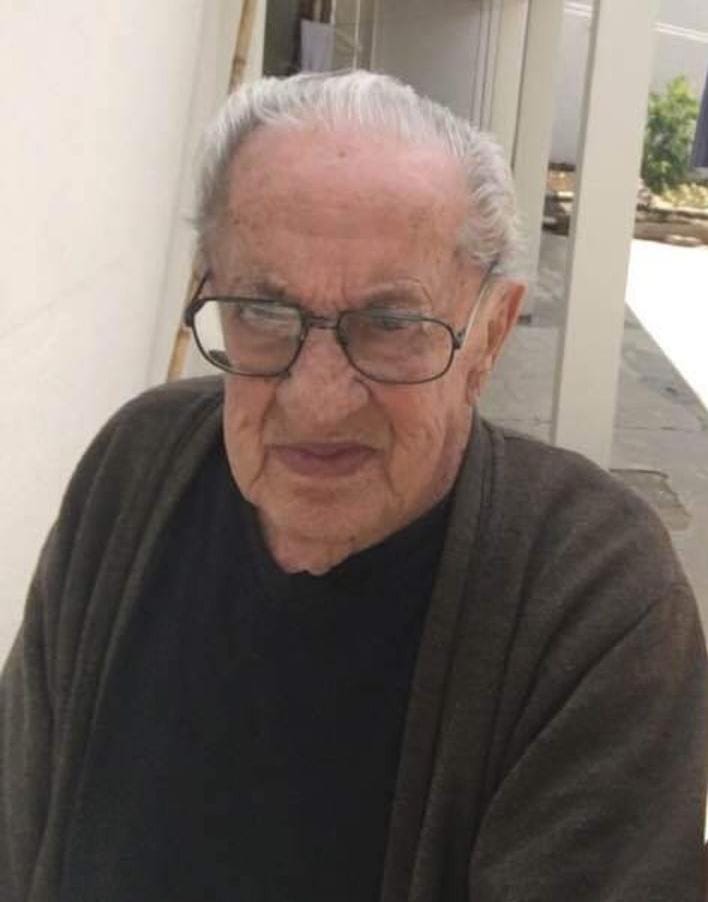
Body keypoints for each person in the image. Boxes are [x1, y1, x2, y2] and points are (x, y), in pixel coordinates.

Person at [1, 71, 706, 902]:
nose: (318, 400)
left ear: (489, 337)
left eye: (393, 324)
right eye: (263, 311)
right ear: (208, 292)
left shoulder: (594, 594)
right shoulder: (135, 470)